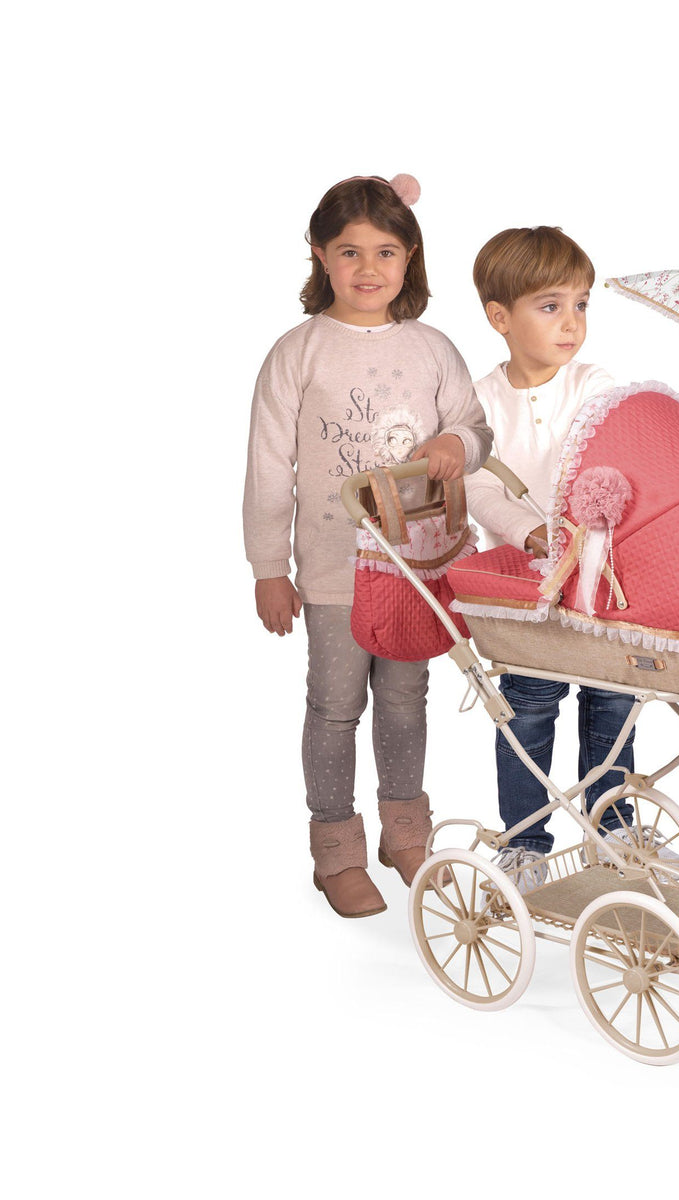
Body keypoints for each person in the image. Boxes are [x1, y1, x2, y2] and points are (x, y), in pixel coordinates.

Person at [243, 174, 492, 918]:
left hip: (416, 568)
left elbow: (477, 430)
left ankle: (404, 835)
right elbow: (267, 465)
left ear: (410, 257)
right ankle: (336, 851)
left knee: (406, 701)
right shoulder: (298, 353)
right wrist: (268, 569)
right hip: (332, 571)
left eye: (385, 251)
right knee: (335, 706)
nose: (368, 268)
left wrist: (456, 443)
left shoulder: (433, 349)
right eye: (349, 251)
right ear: (320, 255)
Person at [465, 226, 664, 892]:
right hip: (524, 588)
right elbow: (478, 487)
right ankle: (525, 842)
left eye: (581, 304)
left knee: (614, 699)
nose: (572, 322)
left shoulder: (594, 384)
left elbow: (617, 453)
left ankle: (613, 828)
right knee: (528, 706)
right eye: (550, 306)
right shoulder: (479, 402)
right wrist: (530, 533)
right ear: (500, 317)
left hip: (601, 575)